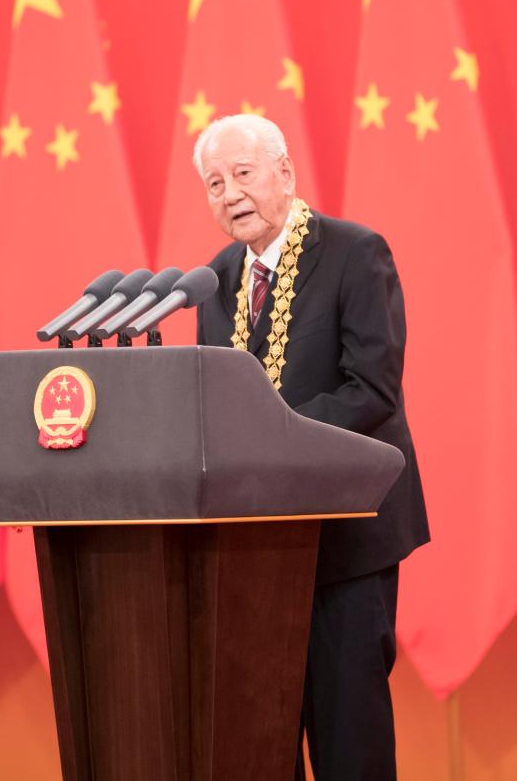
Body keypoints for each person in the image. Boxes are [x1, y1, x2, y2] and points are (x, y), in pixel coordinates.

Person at [194, 113, 430, 781]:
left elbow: (372, 389)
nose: (231, 194)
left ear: (285, 172)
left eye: (243, 173)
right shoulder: (216, 281)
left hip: (346, 542)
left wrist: (273, 436)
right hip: (254, 552)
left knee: (349, 743)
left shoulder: (356, 253)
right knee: (261, 745)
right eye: (215, 183)